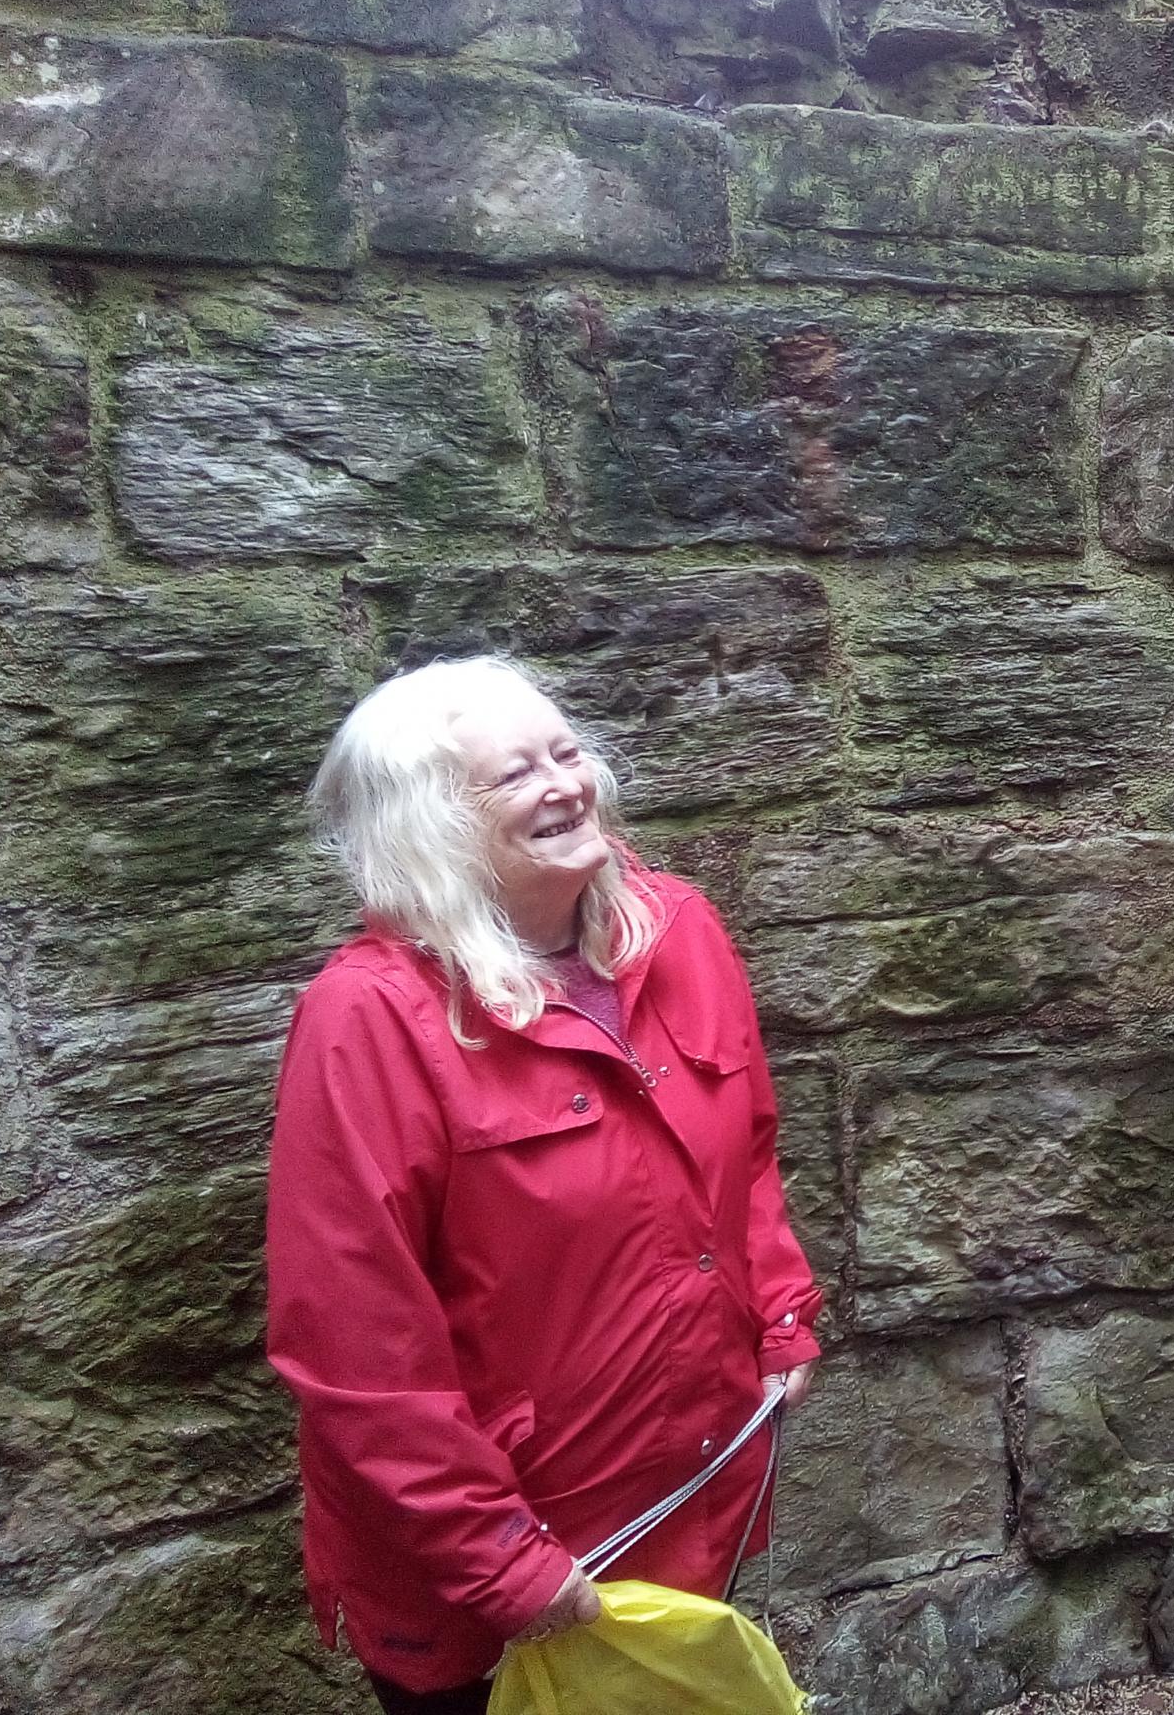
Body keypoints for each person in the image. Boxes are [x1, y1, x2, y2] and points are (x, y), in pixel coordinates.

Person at [266, 656, 824, 1715]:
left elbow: (744, 1149)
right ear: (427, 823)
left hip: (677, 1487)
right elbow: (353, 1341)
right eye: (514, 775)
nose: (566, 785)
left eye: (568, 753)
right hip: (505, 1548)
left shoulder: (679, 930)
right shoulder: (370, 1020)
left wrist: (783, 1314)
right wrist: (498, 1559)